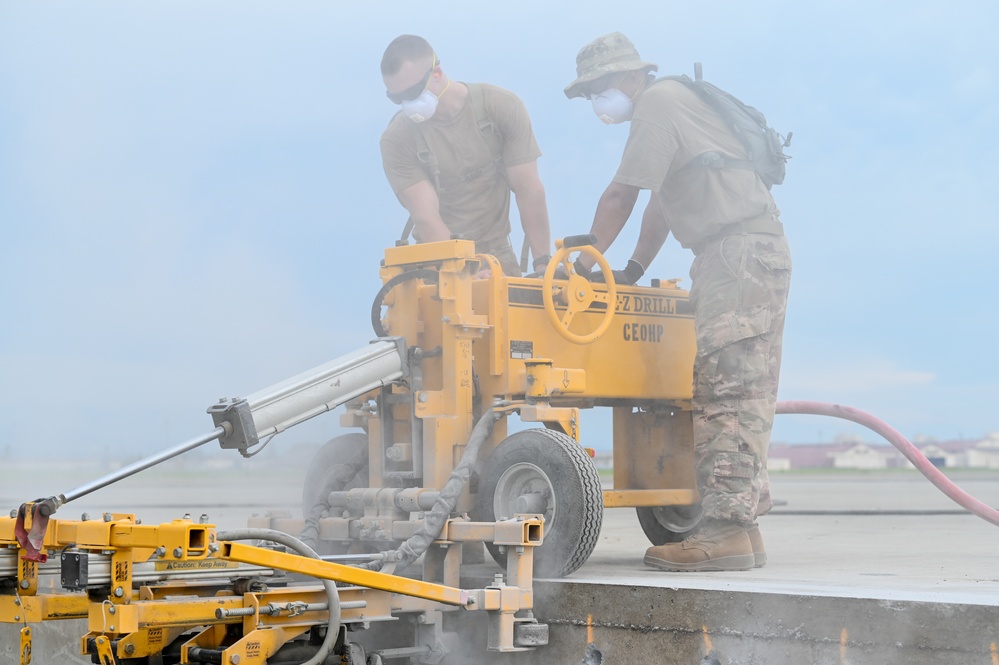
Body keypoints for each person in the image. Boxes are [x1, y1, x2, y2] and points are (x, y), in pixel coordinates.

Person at [565, 33, 792, 571]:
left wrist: (583, 262)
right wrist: (632, 270)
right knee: (735, 387)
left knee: (725, 392)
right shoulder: (678, 109)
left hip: (735, 255)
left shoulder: (658, 103)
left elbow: (623, 192)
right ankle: (741, 530)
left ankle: (724, 536)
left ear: (624, 77)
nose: (597, 102)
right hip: (741, 253)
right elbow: (661, 208)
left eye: (597, 90)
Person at [379, 35, 552, 277]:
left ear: (437, 74)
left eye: (413, 92)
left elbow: (529, 190)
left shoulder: (500, 107)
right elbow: (426, 216)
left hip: (497, 260)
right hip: (436, 265)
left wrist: (544, 265)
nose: (407, 104)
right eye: (397, 98)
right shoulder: (397, 139)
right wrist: (466, 272)